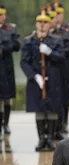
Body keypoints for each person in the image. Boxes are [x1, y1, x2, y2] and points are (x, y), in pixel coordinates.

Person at [20, 8, 65, 152]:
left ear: (49, 24)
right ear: (36, 24)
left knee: (51, 109)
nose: (42, 25)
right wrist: (34, 76)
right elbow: (24, 62)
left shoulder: (56, 40)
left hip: (53, 80)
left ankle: (50, 138)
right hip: (36, 81)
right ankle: (41, 138)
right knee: (39, 109)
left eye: (45, 22)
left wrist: (50, 52)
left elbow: (62, 58)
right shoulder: (28, 40)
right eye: (40, 22)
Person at [54, 0, 69, 134]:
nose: (57, 16)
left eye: (59, 13)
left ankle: (64, 122)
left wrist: (60, 50)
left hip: (66, 67)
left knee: (66, 97)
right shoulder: (48, 30)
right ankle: (55, 124)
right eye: (55, 13)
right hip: (53, 66)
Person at [0, 4, 20, 138]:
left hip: (6, 67)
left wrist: (5, 48)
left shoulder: (10, 29)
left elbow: (17, 45)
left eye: (2, 14)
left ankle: (6, 123)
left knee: (7, 99)